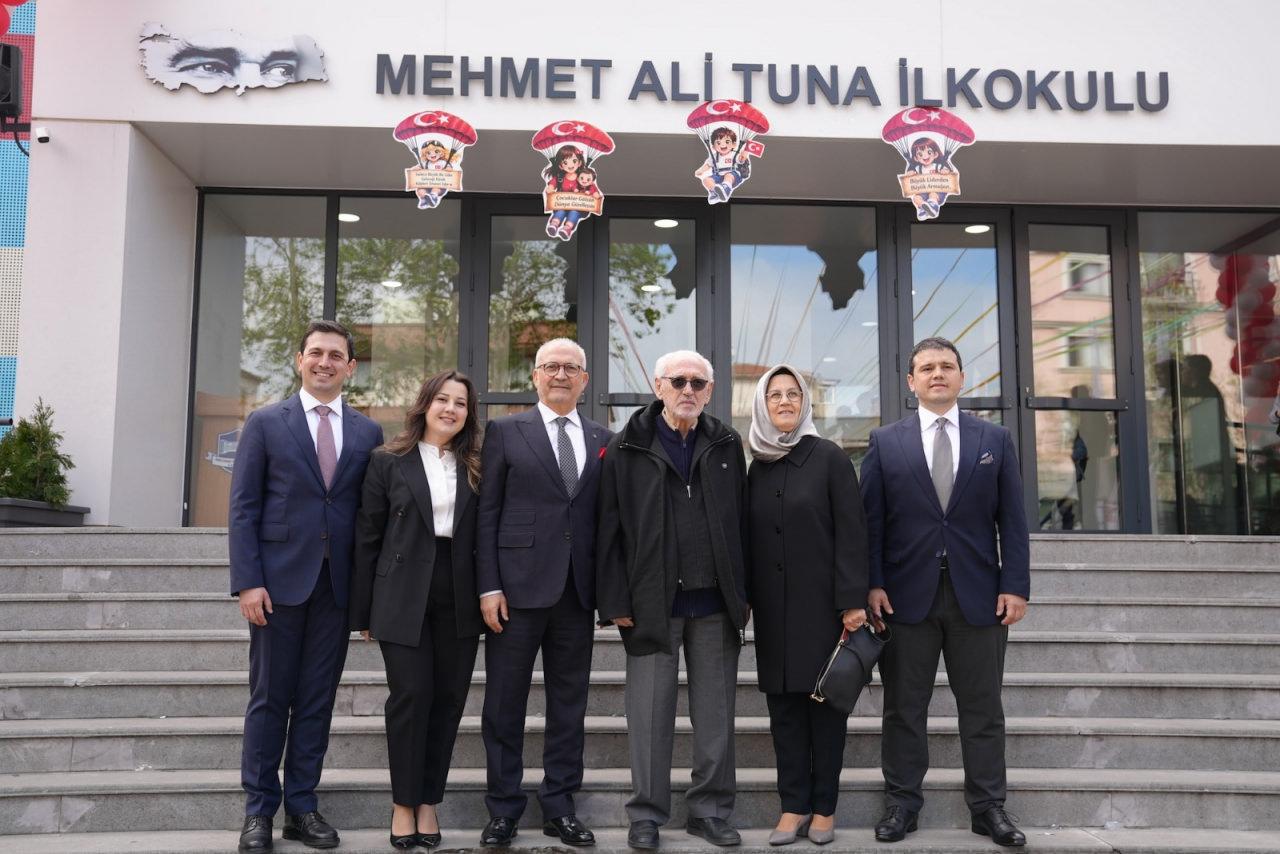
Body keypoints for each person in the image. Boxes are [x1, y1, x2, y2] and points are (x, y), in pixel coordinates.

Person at [860, 336, 1030, 848]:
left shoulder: (995, 438)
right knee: (903, 708)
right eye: (927, 368)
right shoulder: (885, 441)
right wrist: (871, 583)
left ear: (961, 377)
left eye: (947, 366)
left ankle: (989, 808)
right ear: (911, 382)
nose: (938, 374)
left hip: (978, 596)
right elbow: (870, 523)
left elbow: (1013, 520)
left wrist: (1015, 585)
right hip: (903, 597)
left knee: (983, 709)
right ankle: (902, 805)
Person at [229, 319, 384, 853]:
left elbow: (368, 518)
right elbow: (243, 507)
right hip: (276, 587)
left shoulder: (367, 432)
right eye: (315, 353)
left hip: (336, 589)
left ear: (350, 367)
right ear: (299, 360)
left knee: (317, 700)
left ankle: (301, 806)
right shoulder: (266, 423)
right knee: (270, 699)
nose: (324, 362)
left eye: (335, 355)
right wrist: (248, 581)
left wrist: (367, 598)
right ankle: (258, 811)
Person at [597, 350, 750, 850]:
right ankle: (646, 815)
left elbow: (741, 522)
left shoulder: (727, 443)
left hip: (715, 605)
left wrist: (742, 594)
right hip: (651, 604)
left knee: (716, 717)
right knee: (648, 716)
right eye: (678, 381)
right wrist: (614, 600)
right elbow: (609, 529)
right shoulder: (626, 446)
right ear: (658, 386)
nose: (688, 390)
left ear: (710, 391)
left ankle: (710, 811)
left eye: (698, 383)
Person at [476, 338, 612, 848]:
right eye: (550, 366)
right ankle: (503, 809)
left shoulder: (603, 438)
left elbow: (605, 519)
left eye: (570, 368)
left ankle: (559, 805)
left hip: (576, 592)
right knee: (503, 704)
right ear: (534, 376)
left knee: (569, 705)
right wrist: (488, 585)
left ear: (585, 380)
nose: (560, 375)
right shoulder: (505, 431)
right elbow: (487, 513)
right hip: (514, 591)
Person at [351, 370, 485, 849]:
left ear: (469, 414)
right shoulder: (387, 460)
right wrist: (363, 612)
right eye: (443, 399)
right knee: (411, 696)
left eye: (461, 403)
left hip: (460, 591)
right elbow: (367, 535)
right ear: (425, 404)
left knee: (448, 700)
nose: (451, 409)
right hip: (402, 591)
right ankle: (403, 804)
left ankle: (429, 802)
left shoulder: (477, 465)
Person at [745, 365, 869, 846]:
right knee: (784, 714)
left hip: (824, 612)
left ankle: (824, 809)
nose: (784, 402)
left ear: (805, 403)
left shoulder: (829, 457)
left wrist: (852, 601)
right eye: (774, 395)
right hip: (773, 614)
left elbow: (852, 532)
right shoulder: (757, 464)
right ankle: (792, 807)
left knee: (825, 713)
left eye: (793, 394)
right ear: (762, 404)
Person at [694, 127, 749, 203]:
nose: (722, 145)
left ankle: (726, 188)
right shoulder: (714, 156)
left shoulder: (734, 154)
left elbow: (741, 160)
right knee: (706, 180)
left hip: (733, 177)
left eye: (727, 142)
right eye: (718, 143)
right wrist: (701, 170)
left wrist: (744, 155)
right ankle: (716, 193)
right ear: (713, 147)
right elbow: (708, 165)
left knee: (728, 175)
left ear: (733, 144)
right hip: (719, 177)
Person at [905, 138, 952, 219]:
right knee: (916, 198)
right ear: (916, 158)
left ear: (935, 154)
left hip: (937, 192)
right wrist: (910, 173)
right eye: (920, 154)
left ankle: (933, 207)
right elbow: (912, 175)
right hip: (923, 192)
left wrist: (945, 171)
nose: (925, 156)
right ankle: (923, 208)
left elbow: (946, 171)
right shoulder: (918, 168)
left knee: (932, 194)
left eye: (929, 152)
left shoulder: (938, 166)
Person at [543, 145, 585, 237]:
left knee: (574, 213)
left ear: (579, 163)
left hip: (576, 206)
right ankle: (554, 224)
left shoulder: (582, 178)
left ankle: (567, 228)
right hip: (561, 204)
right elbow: (552, 185)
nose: (570, 165)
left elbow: (590, 188)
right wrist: (550, 189)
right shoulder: (560, 178)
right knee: (560, 212)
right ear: (561, 166)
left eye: (574, 161)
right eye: (565, 162)